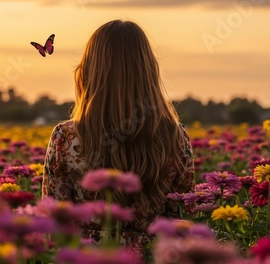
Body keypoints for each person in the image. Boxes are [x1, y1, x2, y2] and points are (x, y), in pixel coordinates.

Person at [42, 20, 195, 251]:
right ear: (149, 70)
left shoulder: (66, 137)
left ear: (89, 70)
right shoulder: (175, 136)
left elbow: (54, 222)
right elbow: (181, 220)